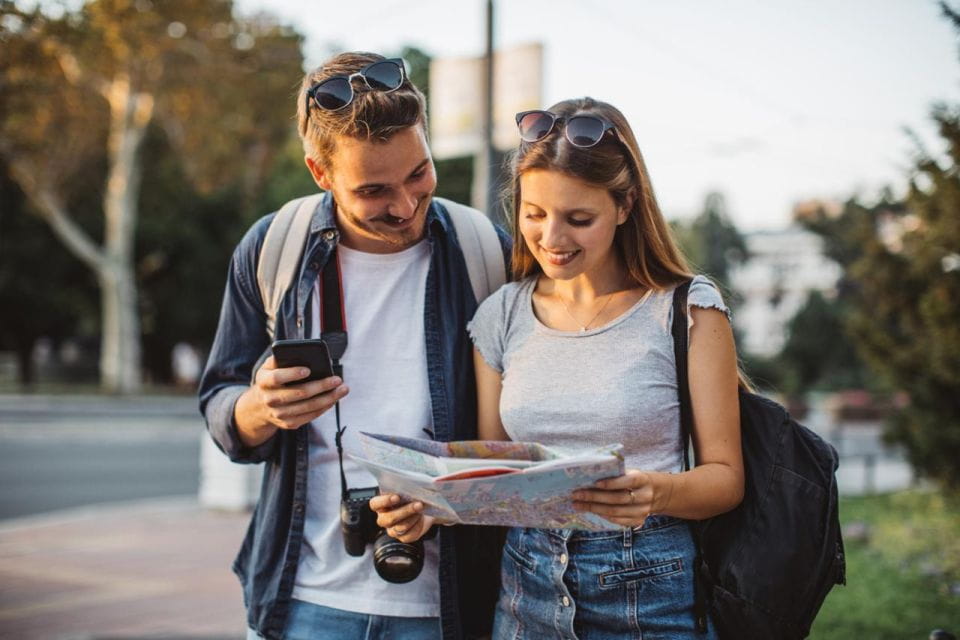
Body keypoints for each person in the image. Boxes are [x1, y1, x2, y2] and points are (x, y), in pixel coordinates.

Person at [375, 97, 744, 639]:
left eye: (578, 219)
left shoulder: (687, 309)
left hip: (650, 589)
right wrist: (435, 506)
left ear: (625, 206)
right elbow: (500, 475)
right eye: (534, 214)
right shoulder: (500, 314)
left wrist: (656, 492)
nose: (551, 239)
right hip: (528, 588)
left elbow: (727, 479)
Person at [199, 52, 508, 640]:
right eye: (374, 189)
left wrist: (446, 495)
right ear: (321, 173)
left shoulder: (484, 250)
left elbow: (515, 433)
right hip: (302, 601)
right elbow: (220, 400)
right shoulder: (273, 247)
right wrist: (260, 409)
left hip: (449, 608)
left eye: (419, 173)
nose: (406, 204)